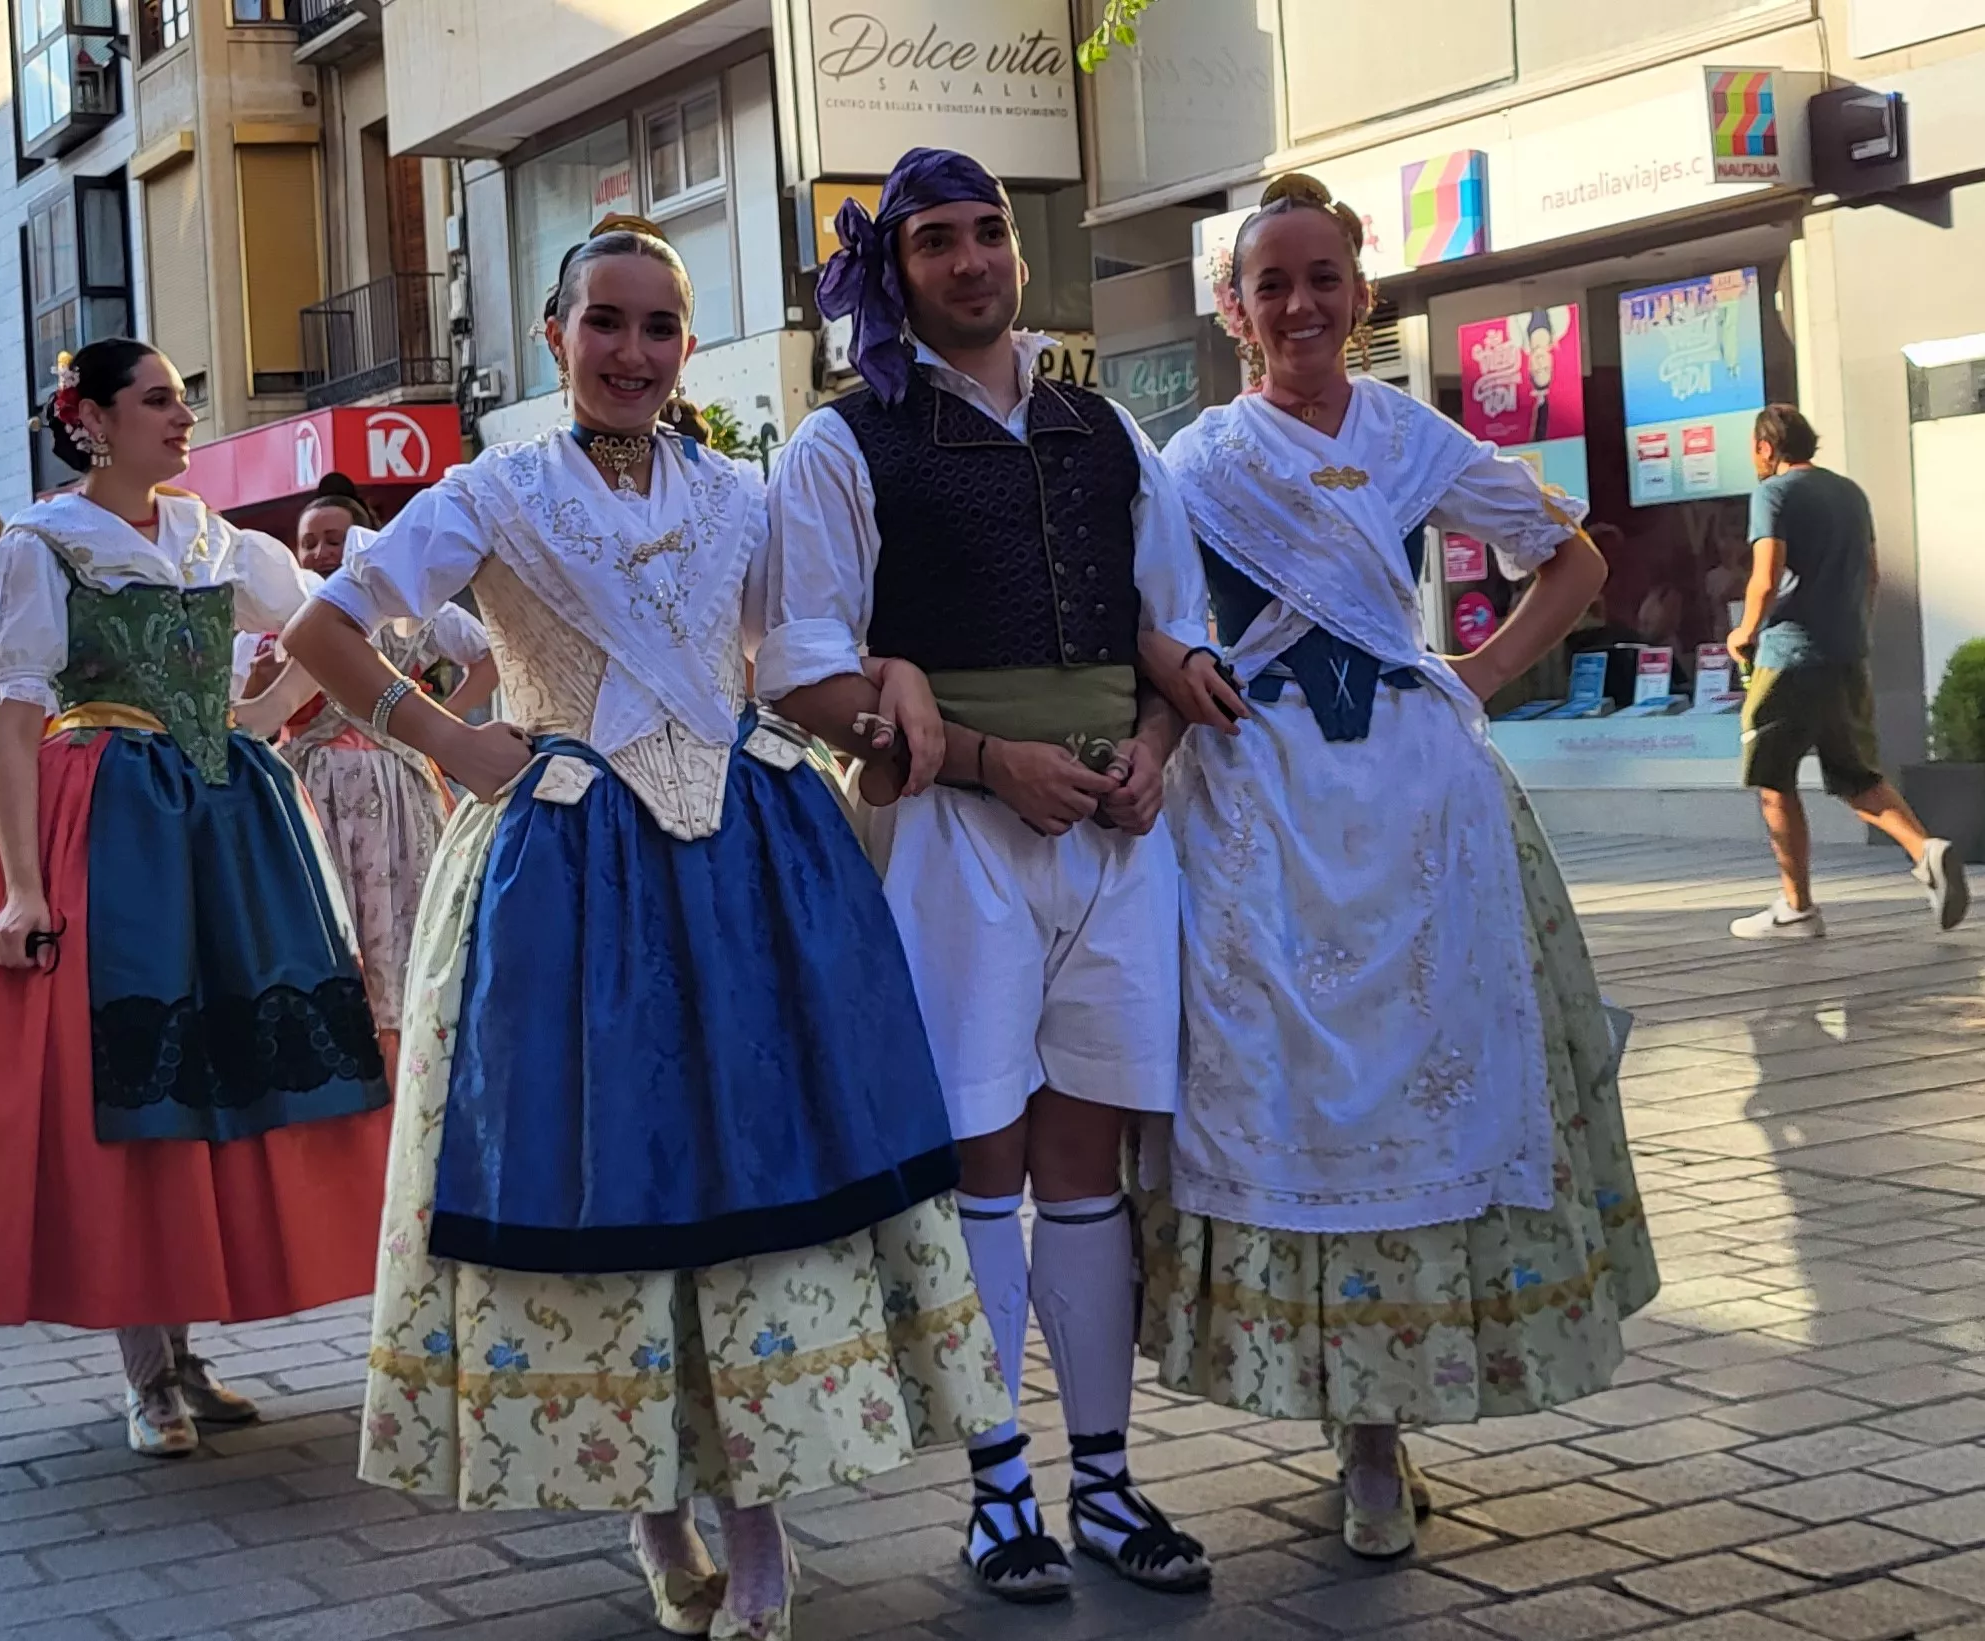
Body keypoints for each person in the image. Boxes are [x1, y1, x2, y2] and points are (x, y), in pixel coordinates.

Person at [283, 221, 1005, 1641]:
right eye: (603, 322)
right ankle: (650, 1502)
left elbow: (802, 651)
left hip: (750, 862)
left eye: (658, 326)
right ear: (552, 335)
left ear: (685, 344)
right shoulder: (490, 491)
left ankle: (757, 1526)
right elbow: (323, 630)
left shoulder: (742, 492)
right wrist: (451, 740)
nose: (630, 351)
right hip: (569, 869)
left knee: (755, 1171)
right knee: (605, 1175)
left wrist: (900, 676)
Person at [1138, 172, 1658, 1561]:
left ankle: (1383, 1431)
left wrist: (1472, 675)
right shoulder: (1190, 464)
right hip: (1261, 805)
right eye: (1271, 284)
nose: (1299, 304)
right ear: (1234, 309)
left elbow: (1570, 560)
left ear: (1360, 295)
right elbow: (1148, 623)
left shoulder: (1412, 436)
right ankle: (1352, 1426)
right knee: (1296, 1106)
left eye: (1323, 278)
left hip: (1423, 806)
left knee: (1437, 1086)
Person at [760, 147, 1211, 1601]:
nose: (968, 261)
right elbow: (799, 672)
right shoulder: (845, 442)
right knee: (984, 1158)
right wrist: (976, 758)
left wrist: (1151, 748)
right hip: (949, 840)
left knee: (1085, 1161)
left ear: (1017, 250)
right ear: (892, 273)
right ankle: (996, 1490)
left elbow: (1172, 630)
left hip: (1112, 837)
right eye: (933, 241)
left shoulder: (1103, 428)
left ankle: (1106, 1484)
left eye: (986, 233)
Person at [0, 339, 392, 1463]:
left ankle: (180, 1354)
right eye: (157, 401)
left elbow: (326, 624)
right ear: (92, 419)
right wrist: (20, 887)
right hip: (106, 818)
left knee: (219, 1069)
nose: (182, 418)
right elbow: (13, 722)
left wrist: (264, 714)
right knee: (132, 1074)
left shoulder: (212, 535)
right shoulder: (41, 545)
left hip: (225, 818)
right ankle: (147, 1371)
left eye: (182, 399)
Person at [236, 479, 500, 1075]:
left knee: (402, 914)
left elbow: (489, 656)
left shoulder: (411, 610)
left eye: (334, 539)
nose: (321, 552)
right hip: (312, 784)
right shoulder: (282, 620)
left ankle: (405, 1060)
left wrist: (444, 720)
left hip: (398, 783)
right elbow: (261, 712)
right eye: (309, 542)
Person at [1726, 403, 1967, 936]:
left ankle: (1797, 908)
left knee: (1772, 779)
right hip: (1846, 655)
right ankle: (1925, 850)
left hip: (1789, 657)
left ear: (1765, 447)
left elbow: (1765, 577)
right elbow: (1872, 575)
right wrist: (1851, 630)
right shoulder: (1850, 493)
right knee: (1857, 778)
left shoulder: (1773, 493)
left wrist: (1745, 632)